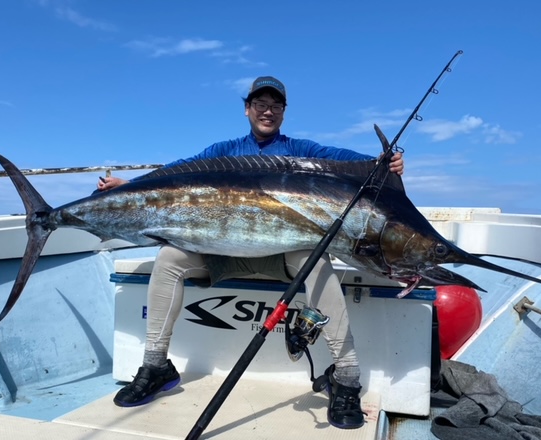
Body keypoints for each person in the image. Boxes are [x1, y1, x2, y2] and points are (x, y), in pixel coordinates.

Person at [98, 76, 404, 429]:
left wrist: (383, 163)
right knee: (169, 258)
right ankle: (155, 365)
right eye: (260, 104)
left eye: (276, 106)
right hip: (225, 250)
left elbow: (347, 162)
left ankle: (347, 376)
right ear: (247, 108)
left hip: (282, 252)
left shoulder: (302, 150)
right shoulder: (222, 152)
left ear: (284, 113)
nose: (268, 111)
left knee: (316, 261)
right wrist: (131, 185)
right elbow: (178, 171)